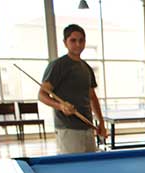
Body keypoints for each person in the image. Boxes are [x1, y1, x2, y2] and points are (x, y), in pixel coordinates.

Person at [39, 24, 106, 154]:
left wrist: (101, 123)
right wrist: (61, 106)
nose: (78, 44)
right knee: (74, 169)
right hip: (68, 129)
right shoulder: (58, 65)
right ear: (65, 42)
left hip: (87, 127)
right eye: (73, 40)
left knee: (89, 167)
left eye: (81, 40)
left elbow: (92, 97)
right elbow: (42, 95)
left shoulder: (86, 67)